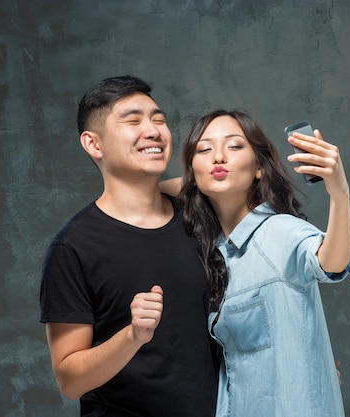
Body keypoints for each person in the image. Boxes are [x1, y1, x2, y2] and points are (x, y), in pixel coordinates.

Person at [177, 109, 350, 417]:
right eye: (204, 149)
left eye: (234, 146)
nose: (218, 156)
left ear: (259, 167)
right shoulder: (215, 253)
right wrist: (195, 179)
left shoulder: (279, 231)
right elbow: (146, 192)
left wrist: (339, 192)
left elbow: (331, 260)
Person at [39, 76, 218, 417]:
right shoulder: (73, 247)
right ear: (94, 144)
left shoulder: (199, 219)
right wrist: (133, 336)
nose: (153, 131)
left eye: (159, 120)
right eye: (133, 121)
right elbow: (70, 379)